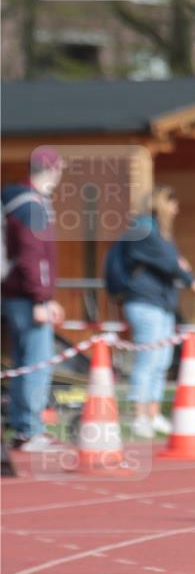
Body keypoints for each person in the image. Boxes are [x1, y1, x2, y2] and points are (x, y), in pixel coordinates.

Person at [121, 186, 195, 439]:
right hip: (145, 303)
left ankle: (153, 414)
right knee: (148, 362)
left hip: (161, 304)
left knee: (160, 363)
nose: (176, 209)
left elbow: (175, 262)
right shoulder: (144, 230)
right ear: (162, 204)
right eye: (172, 203)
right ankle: (139, 416)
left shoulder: (158, 232)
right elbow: (172, 263)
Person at [1, 146, 66, 451]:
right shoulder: (32, 206)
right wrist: (42, 298)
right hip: (26, 298)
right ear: (51, 170)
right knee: (36, 365)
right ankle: (30, 429)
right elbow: (32, 256)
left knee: (23, 365)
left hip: (13, 294)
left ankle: (22, 428)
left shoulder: (15, 203)